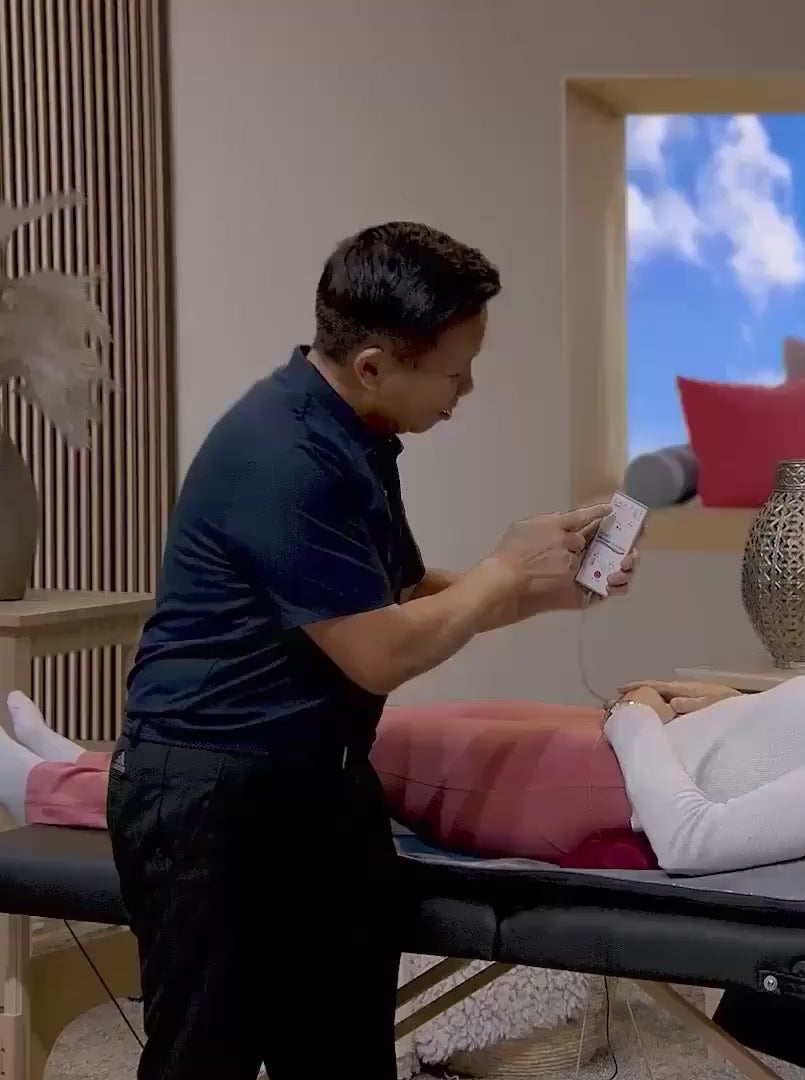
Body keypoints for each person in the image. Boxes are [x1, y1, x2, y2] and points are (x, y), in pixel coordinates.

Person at [101, 222, 637, 1080]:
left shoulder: (356, 433)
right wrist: (502, 570)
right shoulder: (286, 455)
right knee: (205, 1060)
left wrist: (544, 589)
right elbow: (378, 653)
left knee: (344, 1057)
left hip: (322, 782)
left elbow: (400, 596)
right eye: (455, 372)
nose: (467, 389)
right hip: (211, 791)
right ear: (375, 365)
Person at [0, 673, 805, 893]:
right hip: (597, 745)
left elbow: (694, 836)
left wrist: (640, 720)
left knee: (308, 755)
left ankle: (48, 792)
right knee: (338, 730)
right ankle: (78, 759)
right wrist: (714, 702)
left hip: (589, 784)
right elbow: (777, 748)